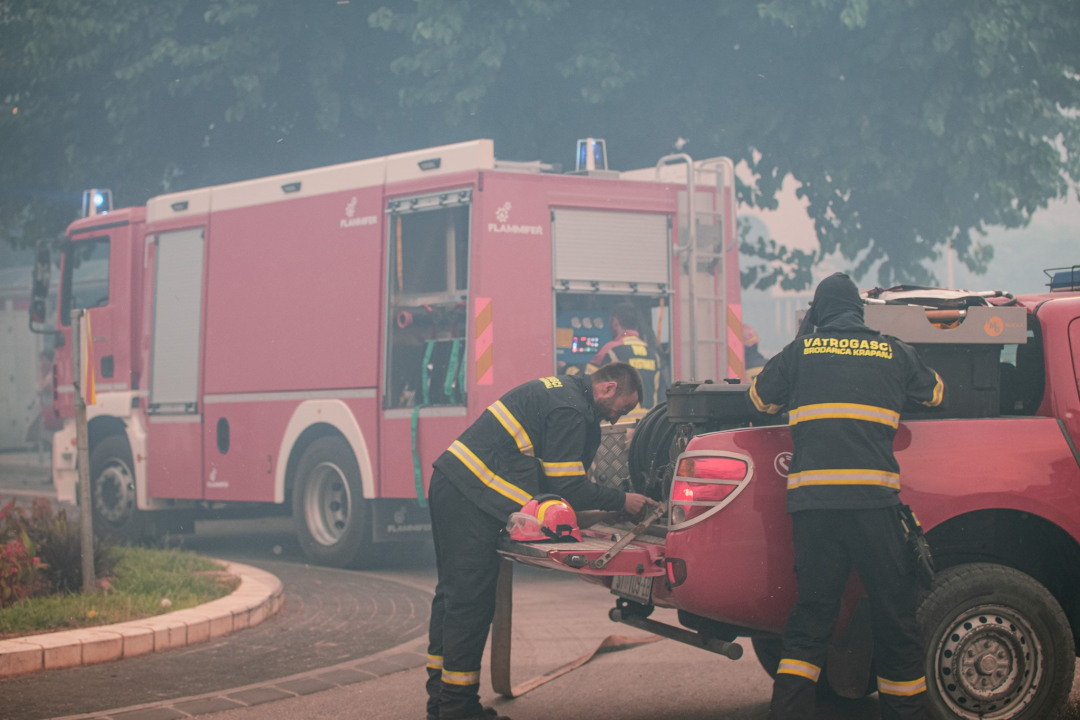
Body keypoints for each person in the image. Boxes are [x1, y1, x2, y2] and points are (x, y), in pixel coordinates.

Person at [748, 273, 944, 720]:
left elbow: (758, 401)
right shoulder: (892, 350)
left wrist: (803, 342)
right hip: (874, 507)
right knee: (895, 616)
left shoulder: (799, 353)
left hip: (815, 510)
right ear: (860, 311)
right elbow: (935, 393)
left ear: (818, 312)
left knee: (811, 618)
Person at [425, 362, 657, 720]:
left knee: (453, 598)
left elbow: (552, 484)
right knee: (469, 605)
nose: (614, 421)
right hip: (469, 500)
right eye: (620, 410)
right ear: (608, 388)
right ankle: (456, 709)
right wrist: (621, 501)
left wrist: (598, 512)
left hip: (454, 488)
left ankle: (442, 702)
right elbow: (567, 487)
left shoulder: (562, 390)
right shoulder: (571, 410)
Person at [583, 302, 666, 417]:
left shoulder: (611, 350)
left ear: (615, 322)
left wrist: (568, 368)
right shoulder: (652, 354)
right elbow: (660, 392)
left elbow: (588, 381)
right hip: (646, 422)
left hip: (620, 423)